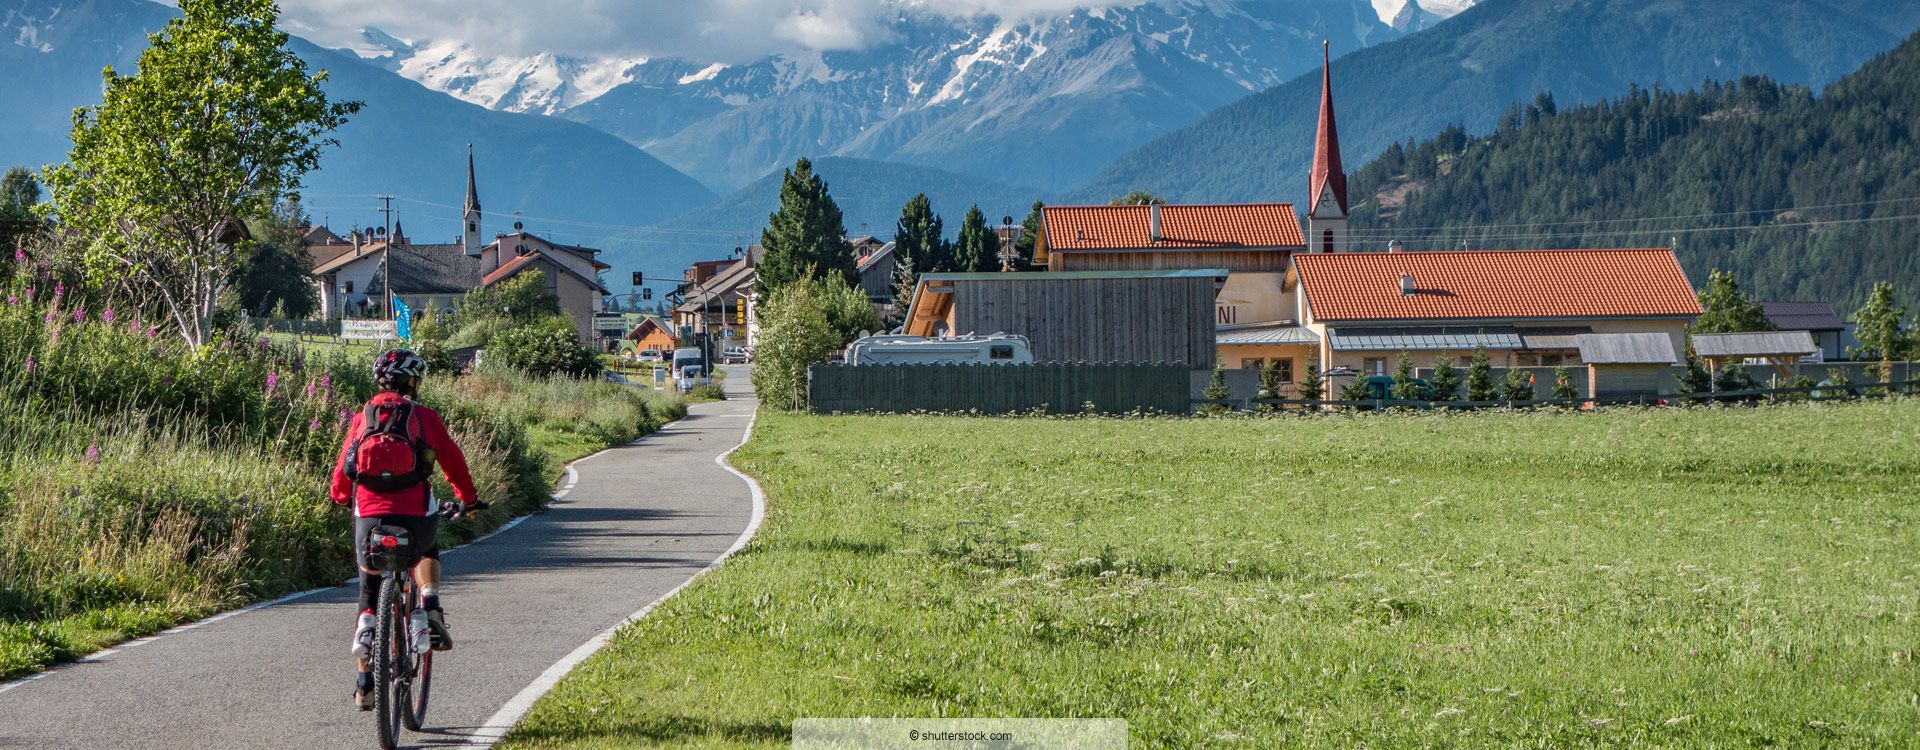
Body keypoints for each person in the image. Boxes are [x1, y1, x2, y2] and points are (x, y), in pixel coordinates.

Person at [330, 349, 480, 710]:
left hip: (368, 512)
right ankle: (429, 605)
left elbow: (343, 468)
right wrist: (468, 499)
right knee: (427, 551)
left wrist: (340, 497)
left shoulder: (362, 416)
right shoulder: (424, 416)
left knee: (368, 595)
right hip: (414, 511)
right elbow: (452, 461)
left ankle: (365, 682)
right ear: (412, 382)